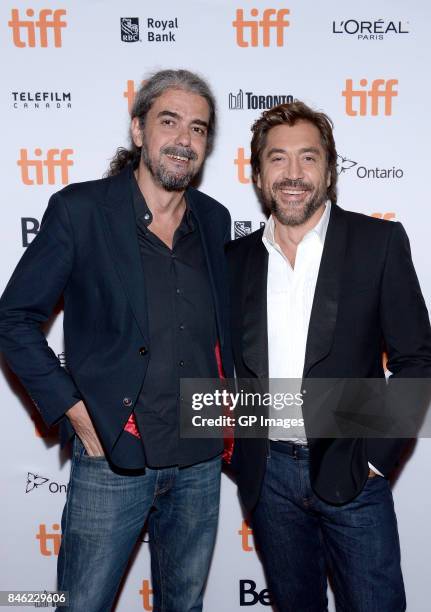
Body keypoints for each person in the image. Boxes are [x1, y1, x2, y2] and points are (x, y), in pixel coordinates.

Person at [0, 69, 233, 612]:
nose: (184, 139)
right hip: (114, 455)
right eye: (169, 121)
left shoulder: (215, 220)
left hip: (200, 463)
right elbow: (13, 318)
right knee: (81, 605)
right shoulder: (81, 211)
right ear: (138, 129)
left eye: (198, 129)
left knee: (186, 606)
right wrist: (77, 414)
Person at [226, 101, 431, 611]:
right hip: (268, 476)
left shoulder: (376, 242)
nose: (293, 174)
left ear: (330, 170)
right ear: (257, 175)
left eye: (308, 158)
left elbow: (417, 359)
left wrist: (377, 460)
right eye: (277, 159)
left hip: (353, 469)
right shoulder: (235, 259)